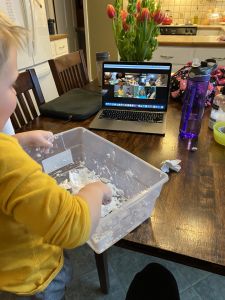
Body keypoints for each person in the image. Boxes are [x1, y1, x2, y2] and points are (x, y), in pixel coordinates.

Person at [0, 11, 111, 300]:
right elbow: (74, 228)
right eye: (12, 84)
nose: (15, 91)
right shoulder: (7, 161)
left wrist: (19, 139)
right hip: (32, 281)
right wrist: (95, 189)